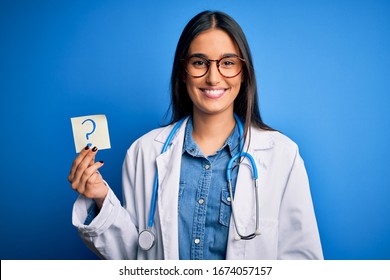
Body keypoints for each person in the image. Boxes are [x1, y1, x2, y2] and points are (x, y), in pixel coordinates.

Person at [68, 10, 323, 260]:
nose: (213, 78)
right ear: (183, 71)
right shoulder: (144, 152)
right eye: (199, 62)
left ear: (244, 73)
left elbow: (302, 262)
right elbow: (135, 257)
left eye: (228, 63)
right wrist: (101, 197)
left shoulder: (282, 155)